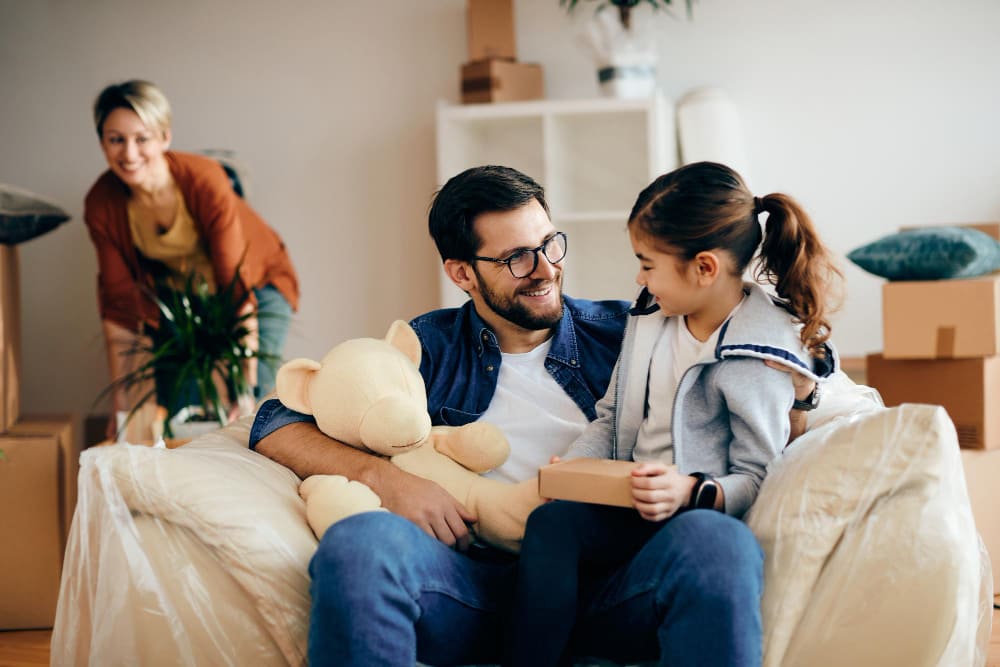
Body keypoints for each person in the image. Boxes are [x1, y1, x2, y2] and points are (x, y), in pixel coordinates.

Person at [249, 165, 818, 666]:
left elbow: (779, 381)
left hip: (607, 581)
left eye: (550, 244)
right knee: (359, 545)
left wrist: (799, 400)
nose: (544, 268)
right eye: (517, 258)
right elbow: (275, 420)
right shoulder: (427, 346)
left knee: (717, 544)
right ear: (462, 273)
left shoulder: (632, 327)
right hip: (470, 581)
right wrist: (386, 479)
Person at [508, 161, 841, 667]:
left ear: (704, 268)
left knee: (708, 542)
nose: (638, 277)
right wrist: (575, 469)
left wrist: (692, 491)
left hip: (691, 521)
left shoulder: (756, 353)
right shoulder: (649, 318)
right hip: (625, 508)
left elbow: (758, 475)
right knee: (552, 525)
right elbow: (611, 412)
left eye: (647, 263)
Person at [84, 79, 299, 436]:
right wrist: (121, 408)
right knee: (178, 405)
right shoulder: (102, 203)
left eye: (142, 138)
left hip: (256, 287)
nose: (130, 153)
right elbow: (119, 306)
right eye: (116, 139)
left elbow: (236, 287)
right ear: (102, 143)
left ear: (164, 137)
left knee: (256, 405)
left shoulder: (204, 180)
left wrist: (243, 386)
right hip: (183, 302)